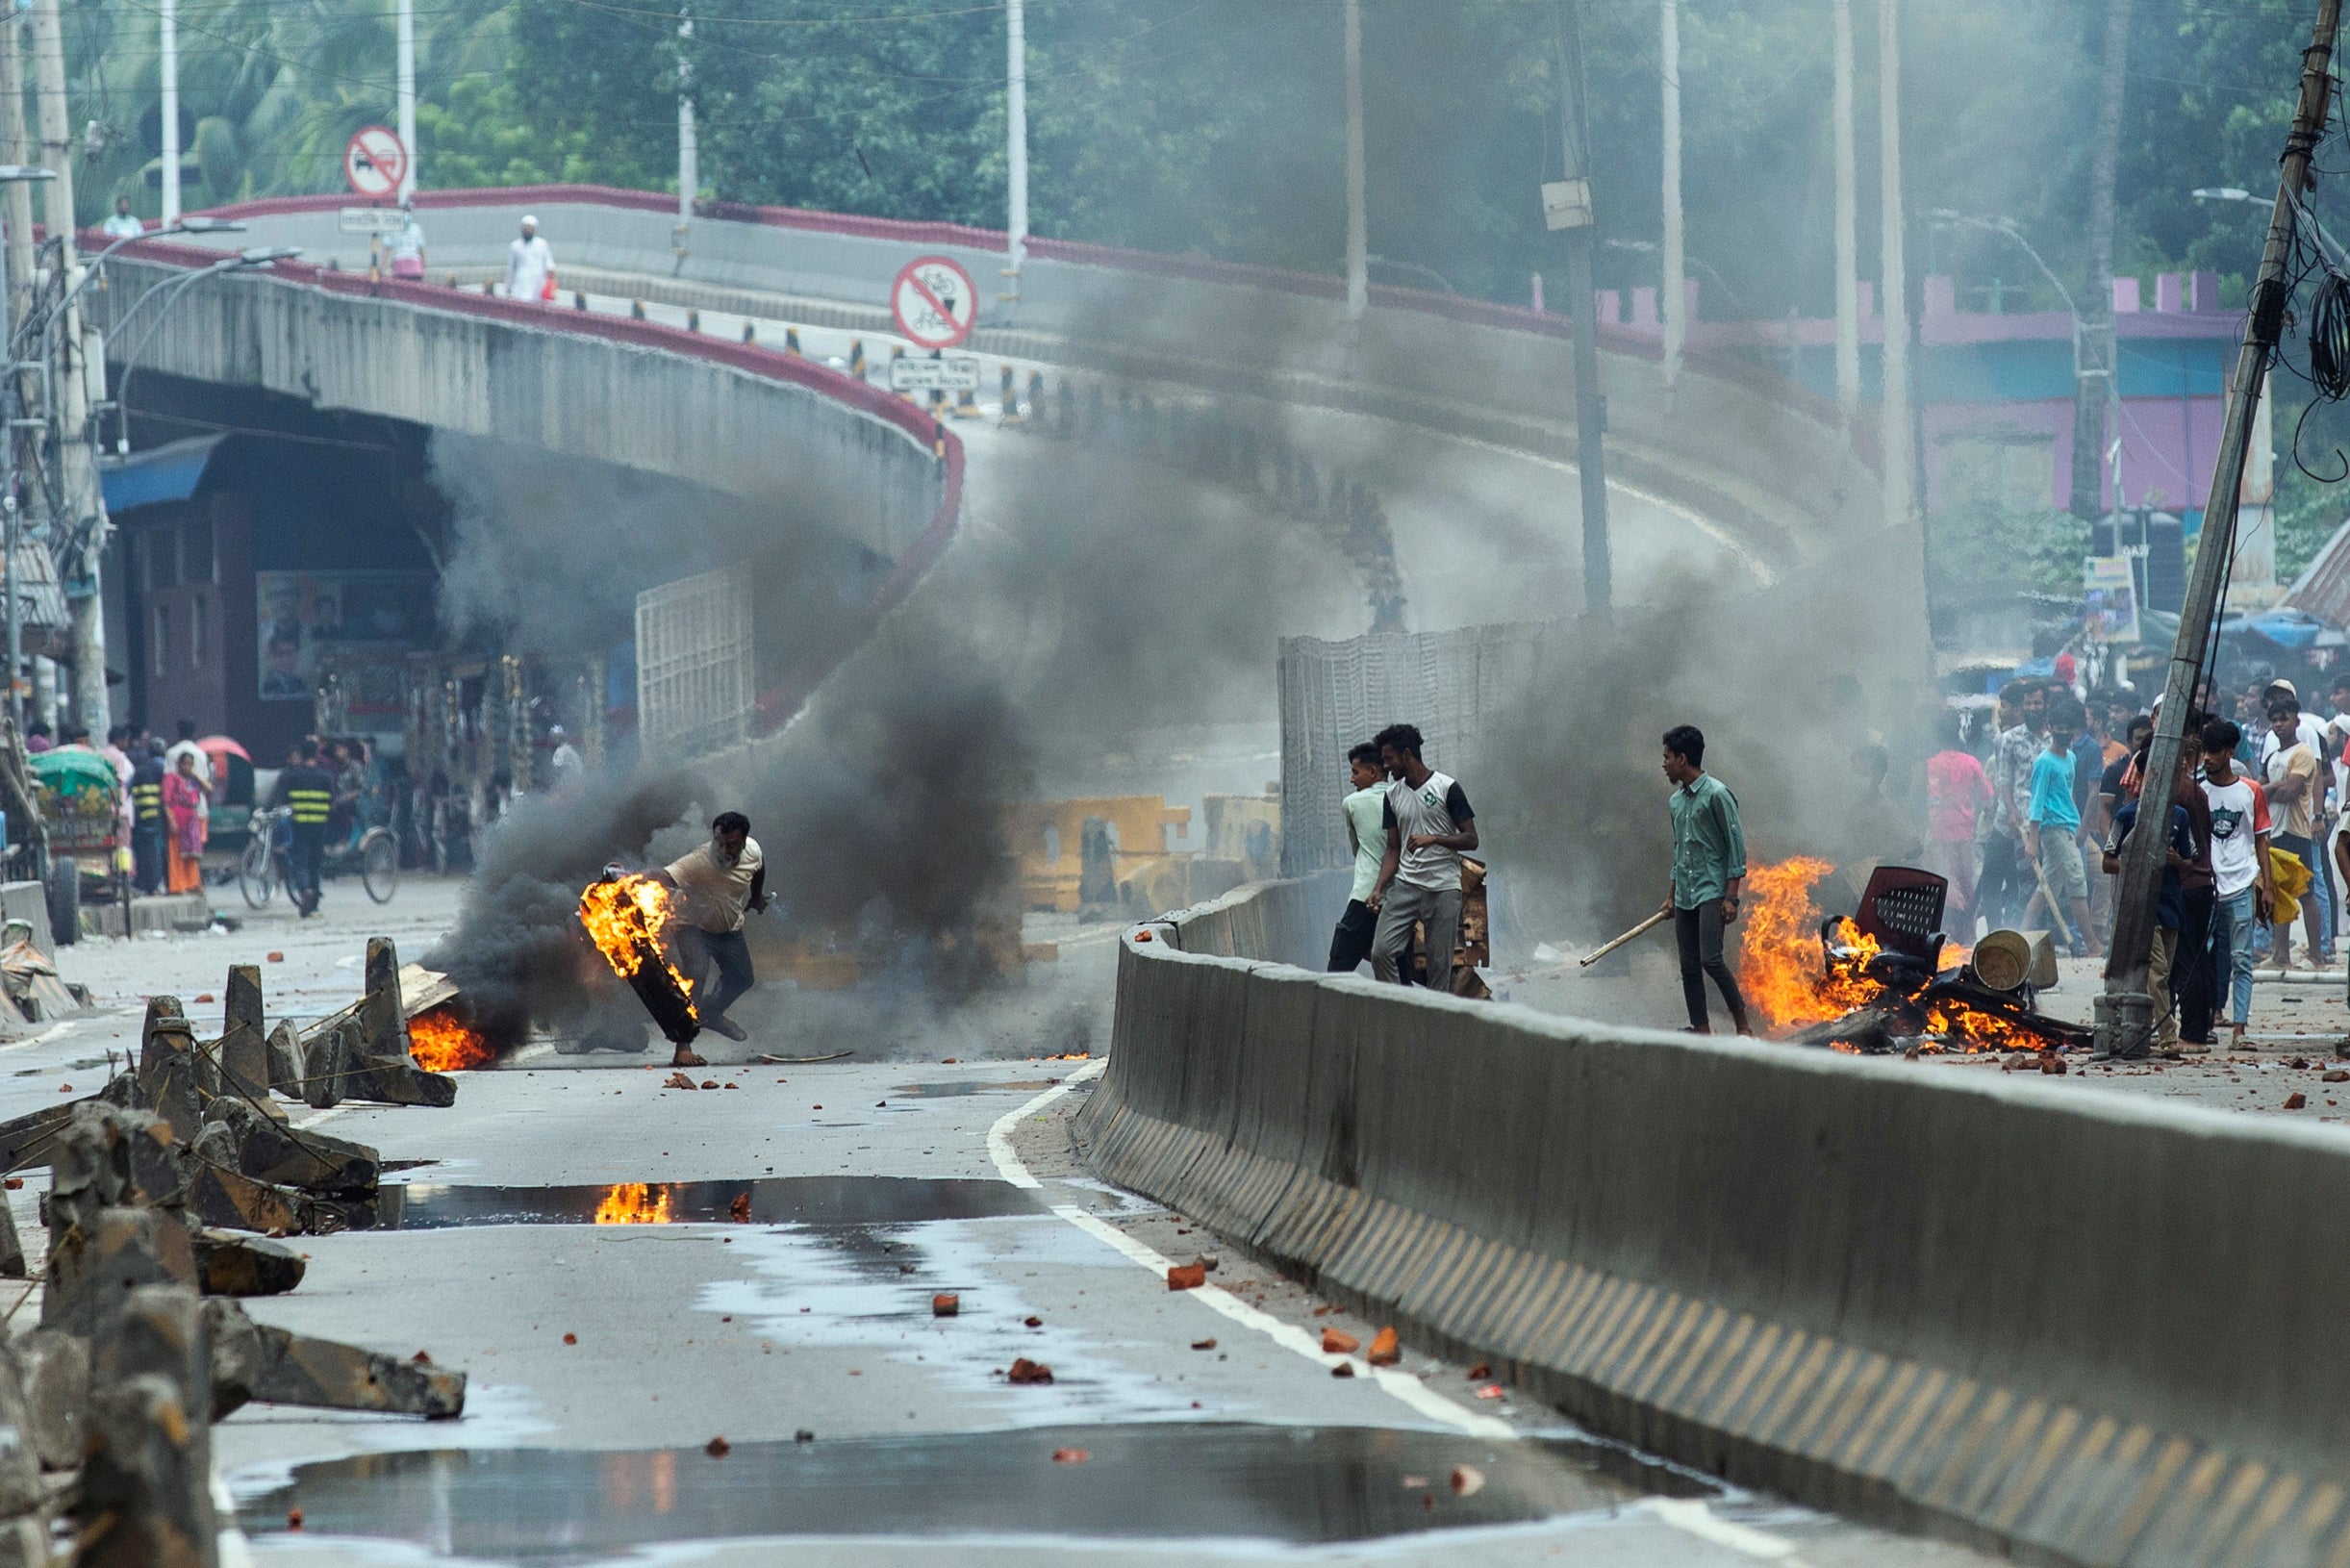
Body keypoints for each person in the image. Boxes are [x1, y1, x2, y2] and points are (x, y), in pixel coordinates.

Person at [2103, 755, 2201, 1058]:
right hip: (2141, 909)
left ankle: (2142, 1030)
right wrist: (2135, 867)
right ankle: (2169, 1037)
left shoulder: (2180, 817)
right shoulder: (2126, 816)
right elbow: (2108, 862)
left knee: (2163, 975)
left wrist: (2176, 861)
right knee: (2156, 974)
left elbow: (2190, 859)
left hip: (2171, 905)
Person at [1366, 723, 1477, 990]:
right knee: (1380, 953)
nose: (1386, 766)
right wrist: (1378, 888)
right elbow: (1393, 849)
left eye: (1389, 758)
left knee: (1439, 969)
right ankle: (1401, 1008)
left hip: (1443, 888)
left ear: (1407, 754)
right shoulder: (1392, 796)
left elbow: (1471, 839)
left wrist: (1434, 839)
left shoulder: (1447, 788)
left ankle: (1435, 1026)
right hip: (1406, 886)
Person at [1659, 723, 1750, 1034]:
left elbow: (1735, 847)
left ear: (1682, 759)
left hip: (1712, 890)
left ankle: (1743, 1024)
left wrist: (1731, 896)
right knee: (1688, 965)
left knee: (1711, 959)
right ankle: (1701, 1028)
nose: (1664, 763)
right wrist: (1671, 895)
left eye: (1667, 756)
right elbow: (1679, 849)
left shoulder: (1718, 795)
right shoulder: (1675, 802)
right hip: (1685, 892)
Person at [655, 812, 768, 1057]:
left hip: (729, 930)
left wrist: (756, 896)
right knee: (696, 973)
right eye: (719, 842)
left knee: (743, 978)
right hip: (693, 927)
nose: (723, 850)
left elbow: (759, 868)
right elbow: (665, 875)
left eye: (732, 845)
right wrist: (630, 880)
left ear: (744, 842)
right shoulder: (700, 859)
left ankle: (709, 1014)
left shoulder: (753, 851)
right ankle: (683, 1046)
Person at [2202, 720, 2273, 1050]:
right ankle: (2207, 1019)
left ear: (2230, 753)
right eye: (2205, 751)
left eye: (2214, 752)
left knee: (2241, 959)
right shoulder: (2199, 790)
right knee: (2205, 956)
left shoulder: (2251, 791)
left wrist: (2267, 887)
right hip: (2207, 884)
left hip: (2241, 884)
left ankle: (2240, 1029)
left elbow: (2262, 841)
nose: (2207, 758)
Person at [2023, 706, 2097, 956]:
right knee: (2077, 882)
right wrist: (2033, 840)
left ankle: (2021, 936)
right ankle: (2092, 944)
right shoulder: (2044, 762)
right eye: (2058, 727)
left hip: (2068, 826)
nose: (2063, 732)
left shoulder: (2071, 758)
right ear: (2050, 727)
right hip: (2053, 829)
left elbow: (2068, 795)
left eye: (2068, 727)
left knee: (2047, 887)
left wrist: (2078, 825)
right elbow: (2037, 801)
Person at [2263, 698, 2327, 973]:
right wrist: (2271, 788)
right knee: (2278, 893)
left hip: (2295, 830)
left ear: (2296, 721)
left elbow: (2290, 790)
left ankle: (2316, 955)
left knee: (2305, 892)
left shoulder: (2302, 753)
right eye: (2275, 720)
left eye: (2284, 719)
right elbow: (2275, 789)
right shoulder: (2272, 757)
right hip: (2275, 830)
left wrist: (2266, 789)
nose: (2279, 724)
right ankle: (2280, 954)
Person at [1925, 713, 1992, 936]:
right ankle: (1969, 930)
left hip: (1939, 831)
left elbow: (1931, 796)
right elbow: (1986, 796)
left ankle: (1943, 929)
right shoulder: (1971, 763)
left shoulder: (1931, 765)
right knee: (1965, 880)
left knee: (1941, 880)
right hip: (1965, 831)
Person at [1327, 743, 1388, 974]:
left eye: (1355, 772)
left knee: (1337, 971)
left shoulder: (1352, 803)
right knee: (1399, 974)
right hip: (1399, 899)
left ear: (1372, 772)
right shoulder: (1402, 797)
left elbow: (1356, 848)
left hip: (1365, 896)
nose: (1352, 780)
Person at [269, 741, 335, 917]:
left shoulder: (292, 776)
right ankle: (314, 907)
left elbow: (279, 799)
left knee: (300, 862)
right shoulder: (325, 777)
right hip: (320, 826)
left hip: (299, 826)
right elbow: (332, 803)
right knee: (315, 864)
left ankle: (305, 890)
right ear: (315, 755)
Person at [162, 751, 207, 895]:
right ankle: (177, 886)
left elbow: (209, 788)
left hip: (191, 823)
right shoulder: (171, 778)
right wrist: (171, 821)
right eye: (184, 764)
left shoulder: (192, 781)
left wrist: (195, 775)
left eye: (189, 765)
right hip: (177, 820)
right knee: (176, 855)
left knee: (192, 856)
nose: (186, 767)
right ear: (178, 765)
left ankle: (193, 884)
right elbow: (166, 802)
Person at [129, 739, 165, 896]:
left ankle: (143, 882)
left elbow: (127, 789)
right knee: (156, 850)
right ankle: (155, 884)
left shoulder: (139, 770)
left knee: (142, 850)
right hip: (157, 816)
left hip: (140, 815)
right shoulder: (164, 767)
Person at [504, 215, 554, 302]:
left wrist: (550, 271)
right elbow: (511, 267)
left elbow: (548, 261)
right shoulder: (515, 245)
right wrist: (508, 286)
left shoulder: (542, 244)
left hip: (539, 281)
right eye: (526, 228)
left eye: (531, 228)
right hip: (522, 281)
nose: (528, 230)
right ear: (522, 229)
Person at [387, 205, 426, 280]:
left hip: (411, 266)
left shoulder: (416, 228)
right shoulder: (392, 229)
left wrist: (423, 266)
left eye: (408, 211)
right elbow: (387, 250)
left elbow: (420, 250)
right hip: (402, 265)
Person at [547, 726, 585, 794]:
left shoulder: (561, 751)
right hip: (575, 786)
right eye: (550, 738)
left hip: (571, 787)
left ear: (559, 738)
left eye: (553, 738)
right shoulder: (567, 749)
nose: (550, 741)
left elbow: (556, 773)